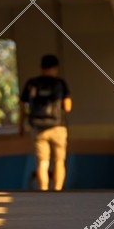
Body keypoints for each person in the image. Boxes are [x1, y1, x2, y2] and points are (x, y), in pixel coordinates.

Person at [20, 54, 72, 191]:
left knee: (42, 162)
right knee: (59, 161)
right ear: (56, 68)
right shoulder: (60, 83)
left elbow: (23, 106)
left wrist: (22, 125)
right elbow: (67, 107)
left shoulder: (32, 83)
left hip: (38, 128)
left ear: (41, 67)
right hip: (58, 127)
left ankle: (43, 191)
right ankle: (58, 190)